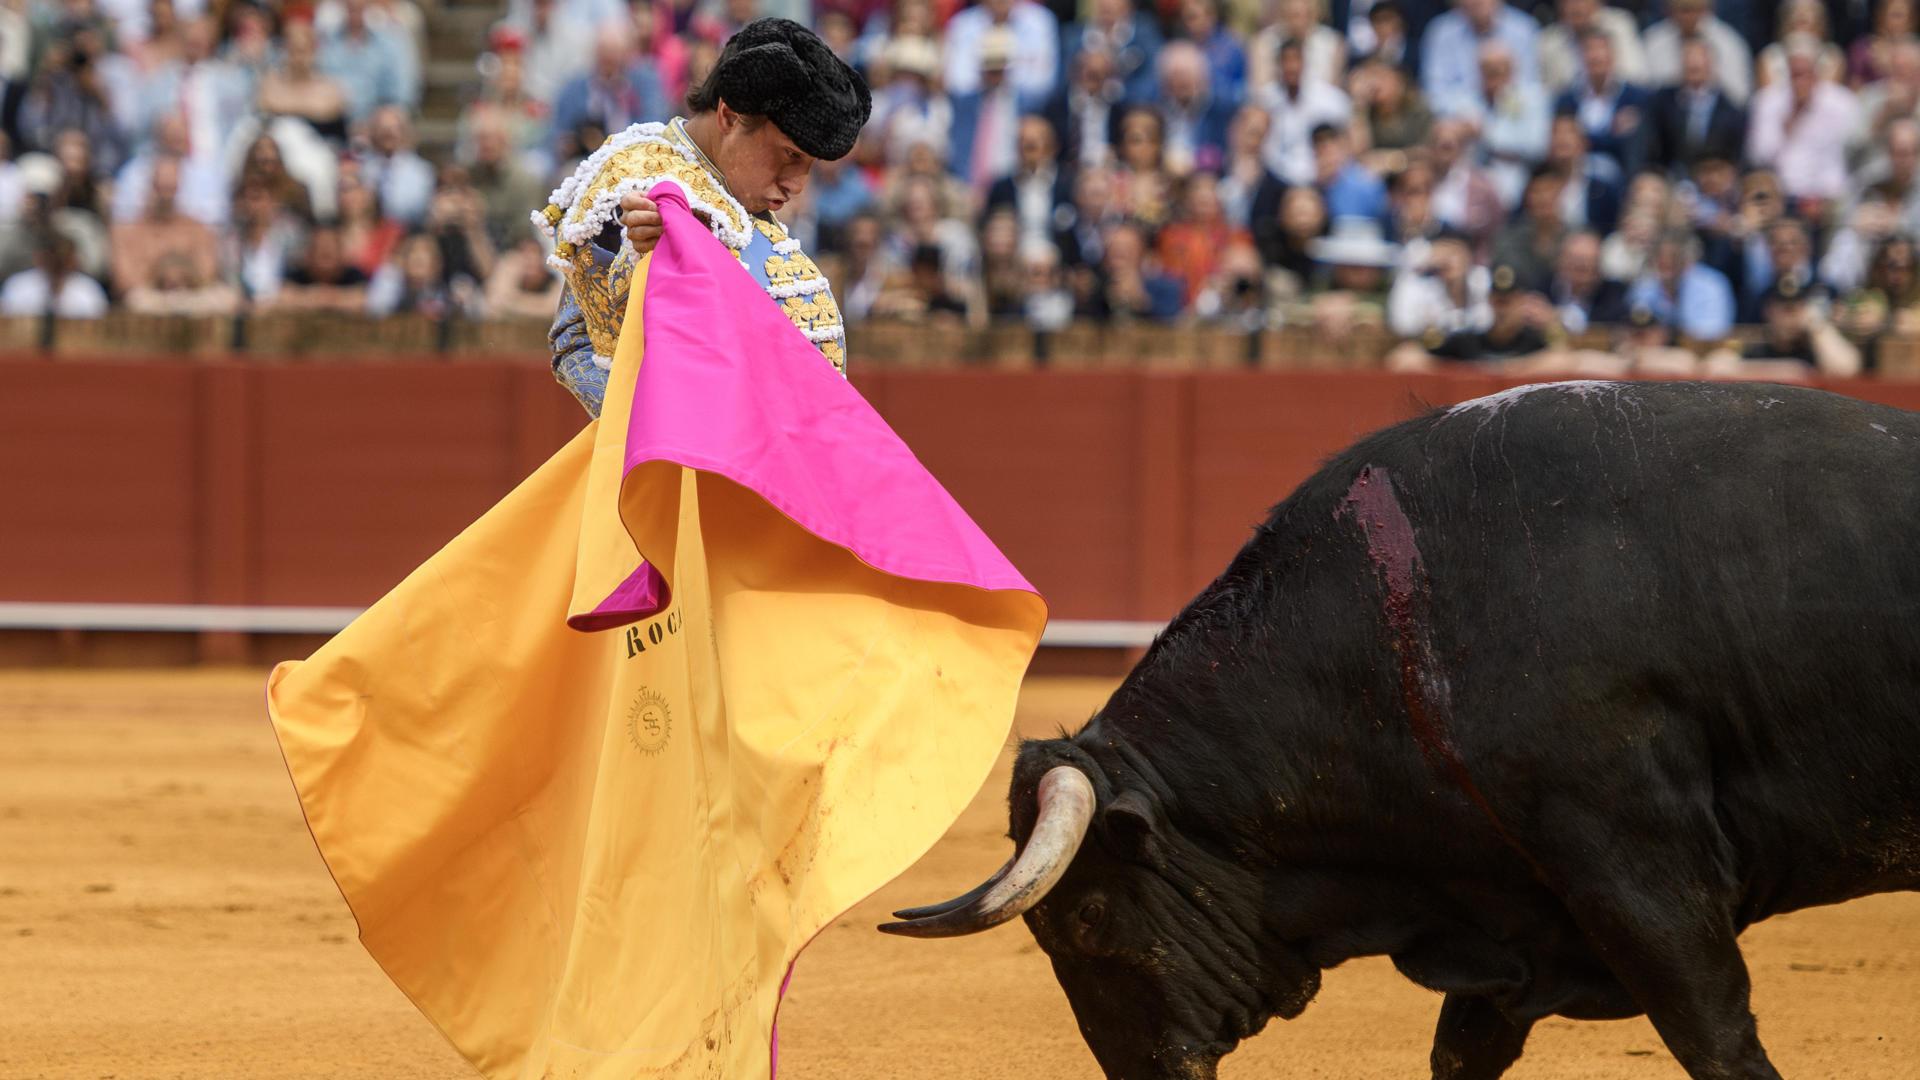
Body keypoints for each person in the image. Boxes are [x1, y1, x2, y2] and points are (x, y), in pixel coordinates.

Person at [538, 18, 869, 415]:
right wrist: (644, 263)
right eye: (789, 155)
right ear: (730, 116)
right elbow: (579, 342)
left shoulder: (735, 188)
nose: (797, 184)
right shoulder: (634, 179)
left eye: (809, 163)